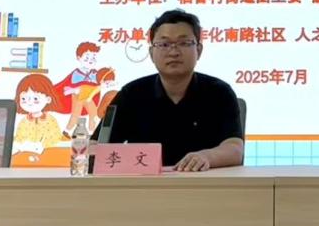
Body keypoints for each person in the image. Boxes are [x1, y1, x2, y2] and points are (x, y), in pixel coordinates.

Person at [98, 9, 244, 171]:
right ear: (151, 53)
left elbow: (235, 149)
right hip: (146, 185)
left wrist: (207, 157)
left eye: (184, 43)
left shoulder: (219, 92)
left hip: (205, 182)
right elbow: (97, 146)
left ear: (199, 50)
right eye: (164, 44)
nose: (173, 52)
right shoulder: (131, 94)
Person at [12, 74, 64, 155]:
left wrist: (42, 145)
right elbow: (19, 138)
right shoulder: (23, 121)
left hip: (47, 154)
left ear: (48, 99)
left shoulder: (50, 120)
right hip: (25, 154)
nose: (29, 103)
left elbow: (55, 138)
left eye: (35, 99)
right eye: (24, 99)